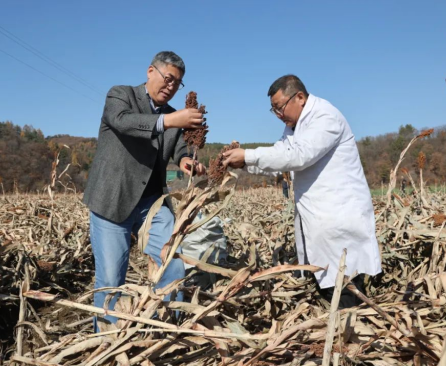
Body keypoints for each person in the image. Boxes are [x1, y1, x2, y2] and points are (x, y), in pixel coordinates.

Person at [223, 75, 382, 308]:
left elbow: (297, 156)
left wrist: (248, 155)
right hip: (319, 217)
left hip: (337, 214)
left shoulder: (325, 117)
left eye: (280, 107)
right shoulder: (294, 128)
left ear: (299, 97)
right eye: (273, 110)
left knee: (345, 286)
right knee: (329, 284)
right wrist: (244, 163)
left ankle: (353, 336)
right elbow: (280, 157)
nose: (278, 115)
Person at [83, 51, 206, 329]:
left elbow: (180, 148)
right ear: (151, 71)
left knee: (171, 266)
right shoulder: (121, 95)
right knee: (112, 277)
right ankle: (107, 339)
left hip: (152, 203)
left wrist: (186, 159)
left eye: (177, 83)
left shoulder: (173, 116)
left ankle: (166, 329)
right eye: (168, 78)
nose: (171, 87)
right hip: (113, 200)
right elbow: (123, 122)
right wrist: (170, 121)